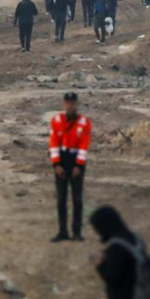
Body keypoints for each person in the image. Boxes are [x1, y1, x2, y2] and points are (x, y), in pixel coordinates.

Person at [87, 206, 150, 299]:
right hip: (140, 297)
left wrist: (100, 265)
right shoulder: (134, 238)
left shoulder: (117, 247)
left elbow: (112, 277)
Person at [50, 92, 92, 242]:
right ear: (64, 104)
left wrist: (79, 165)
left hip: (76, 160)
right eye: (67, 103)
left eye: (72, 103)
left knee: (77, 199)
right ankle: (62, 232)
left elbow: (84, 145)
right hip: (62, 160)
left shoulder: (84, 122)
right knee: (61, 199)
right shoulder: (56, 121)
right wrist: (56, 164)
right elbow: (53, 142)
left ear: (76, 104)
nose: (70, 106)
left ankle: (77, 232)